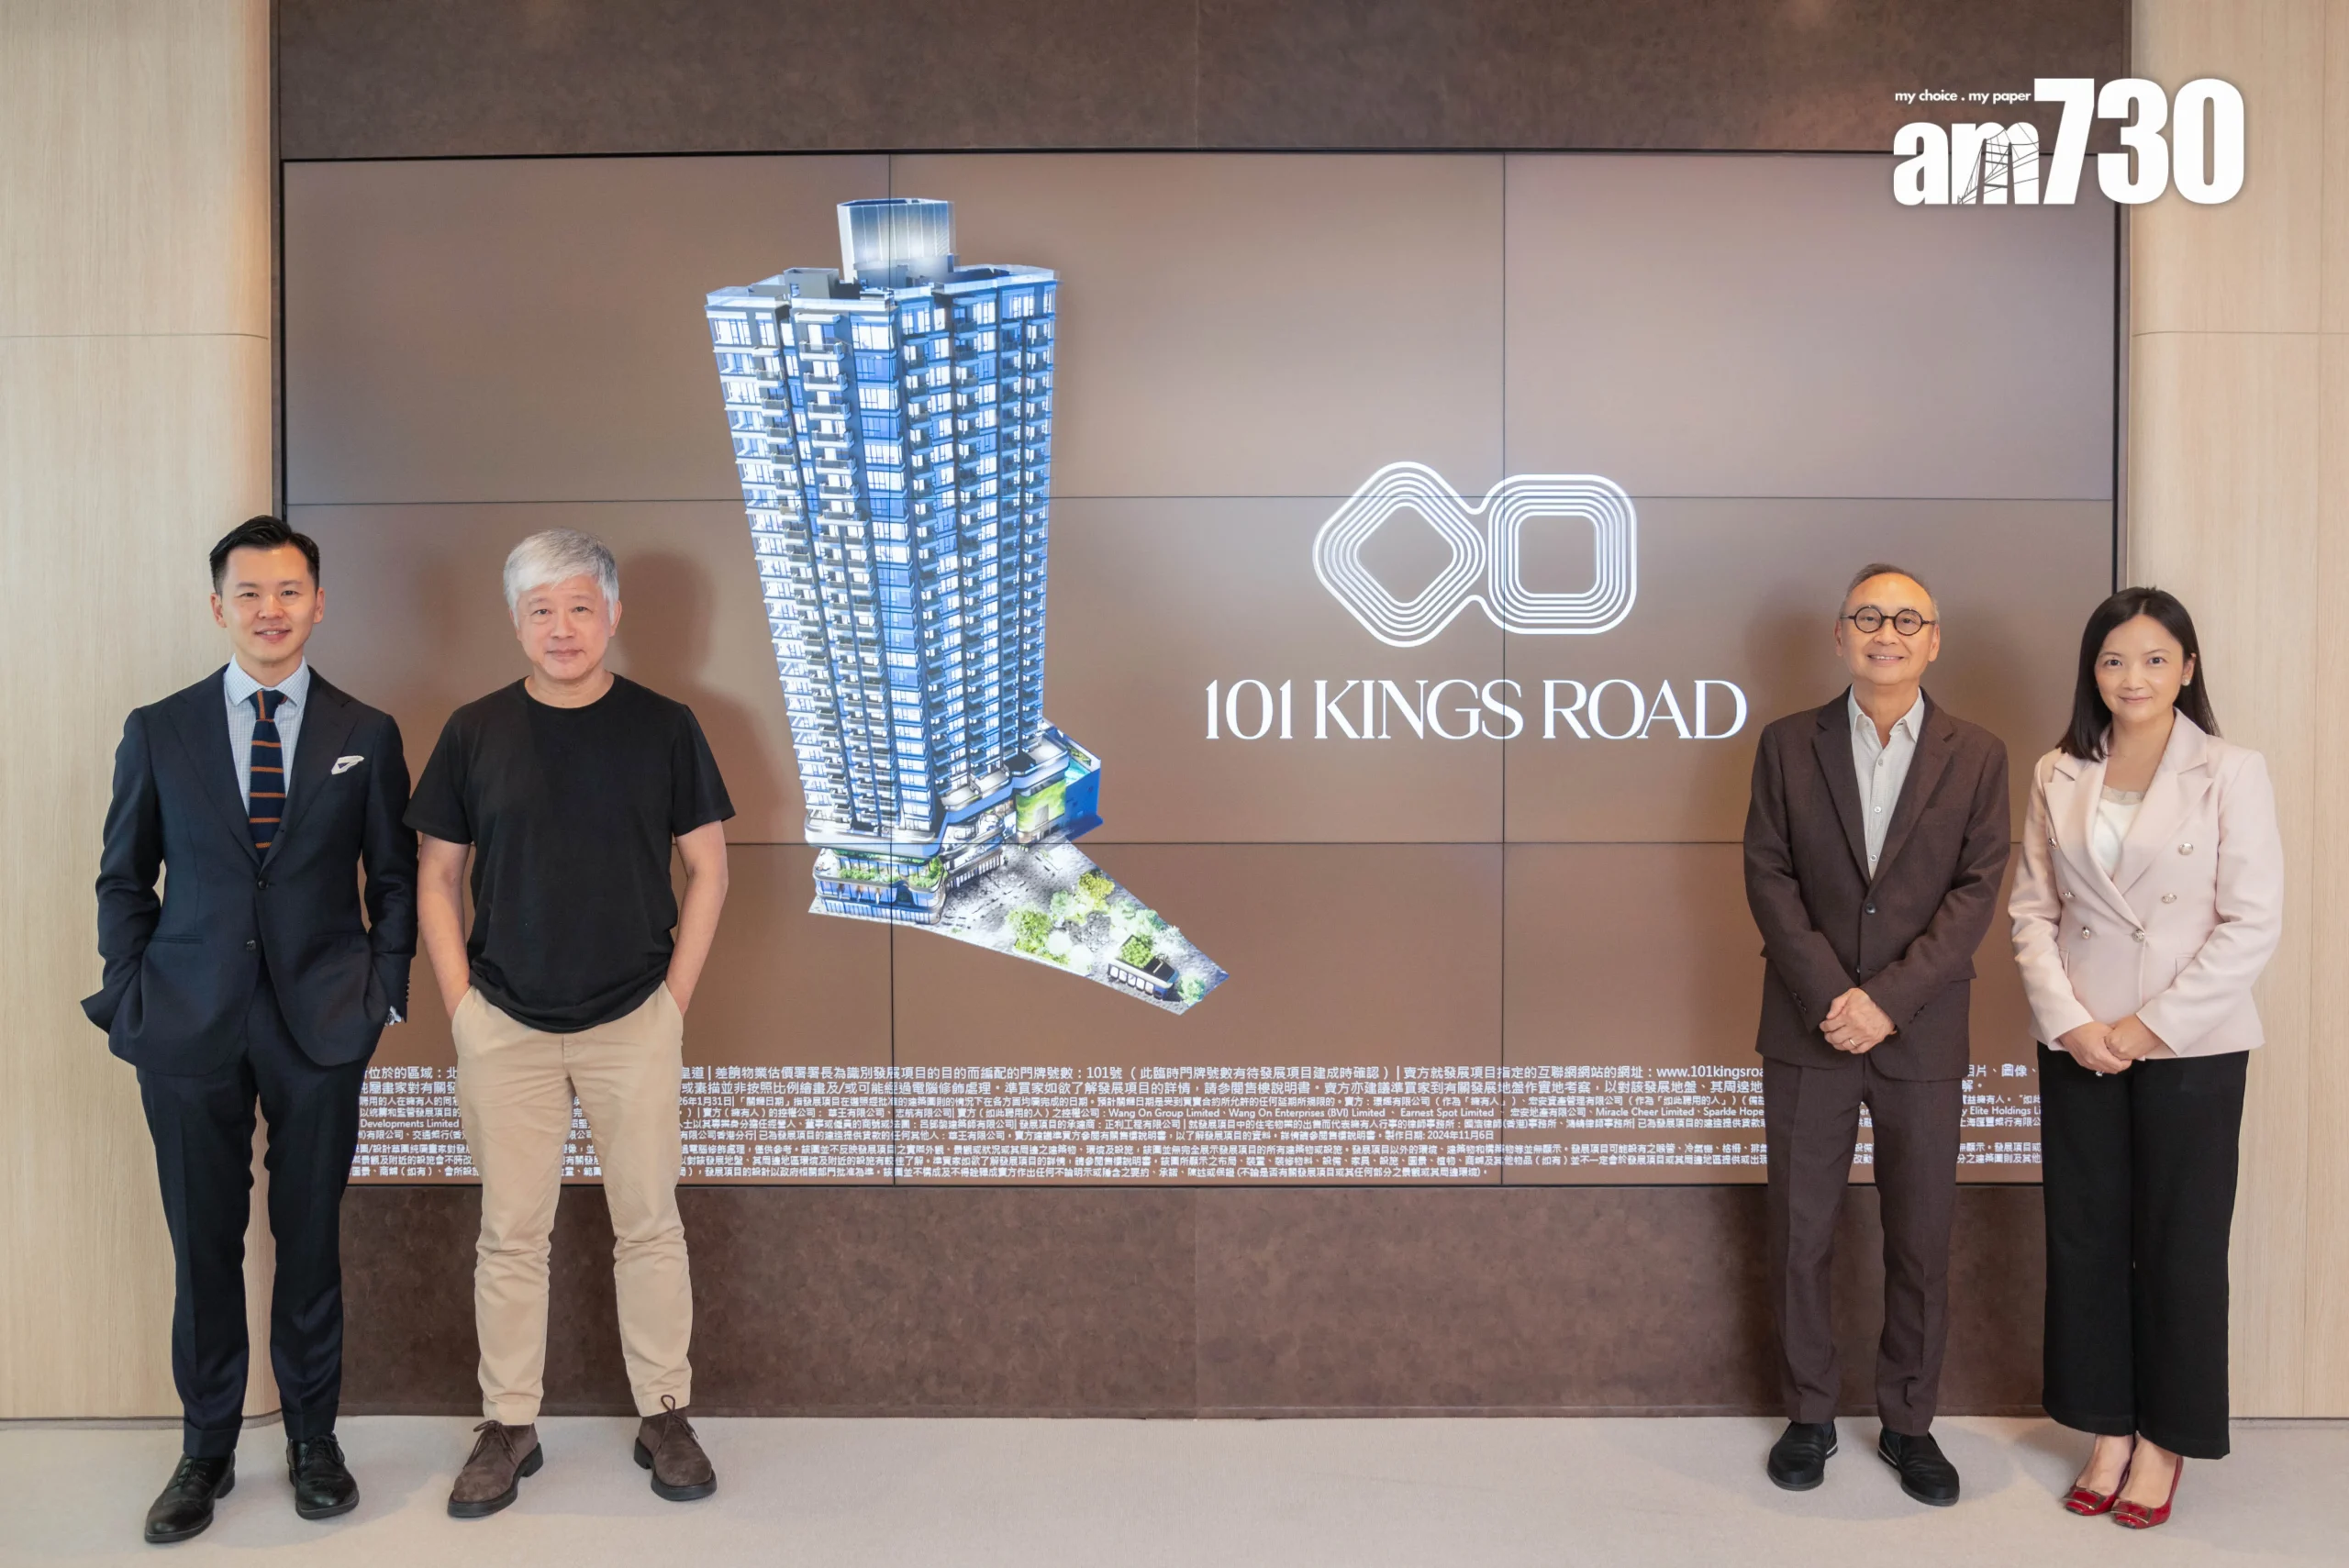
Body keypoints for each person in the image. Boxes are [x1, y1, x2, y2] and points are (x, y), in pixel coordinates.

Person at [85, 516, 416, 1544]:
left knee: (309, 1239)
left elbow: (394, 880)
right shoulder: (160, 727)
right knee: (204, 1244)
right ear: (217, 605)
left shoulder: (367, 731)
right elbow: (123, 876)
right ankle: (207, 1449)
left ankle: (314, 1440)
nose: (270, 610)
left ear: (318, 603)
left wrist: (382, 992)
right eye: (249, 592)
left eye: (288, 591)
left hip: (322, 1020)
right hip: (186, 1022)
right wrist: (131, 992)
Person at [407, 528, 732, 1518]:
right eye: (541, 609)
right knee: (510, 1233)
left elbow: (710, 868)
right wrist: (461, 1005)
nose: (562, 627)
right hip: (503, 1021)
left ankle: (665, 1412)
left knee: (650, 1222)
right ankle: (509, 1423)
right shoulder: (473, 731)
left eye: (580, 606)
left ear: (613, 614)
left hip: (634, 1017)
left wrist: (671, 1002)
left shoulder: (665, 726)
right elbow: (437, 875)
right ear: (517, 621)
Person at [2009, 588, 2281, 1530]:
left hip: (2190, 1042)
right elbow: (2031, 911)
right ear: (2092, 671)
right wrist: (2071, 1021)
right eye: (2114, 659)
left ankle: (2166, 1438)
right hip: (2078, 1038)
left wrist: (2146, 1027)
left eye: (2156, 659)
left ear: (2187, 668)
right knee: (2085, 1235)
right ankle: (2105, 1428)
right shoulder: (2056, 768)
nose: (2134, 677)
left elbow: (2251, 920)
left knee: (2180, 1240)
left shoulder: (2231, 769)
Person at [1742, 563, 2009, 1507]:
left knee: (1921, 1238)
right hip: (1808, 1024)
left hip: (1922, 1032)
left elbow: (1976, 890)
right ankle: (1809, 1413)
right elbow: (1768, 875)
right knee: (1800, 1231)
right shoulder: (1787, 743)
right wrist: (1836, 995)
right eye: (1868, 616)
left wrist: (1886, 1000)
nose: (1885, 632)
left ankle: (1908, 1421)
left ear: (1933, 640)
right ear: (1840, 634)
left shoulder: (1978, 754)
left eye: (1905, 619)